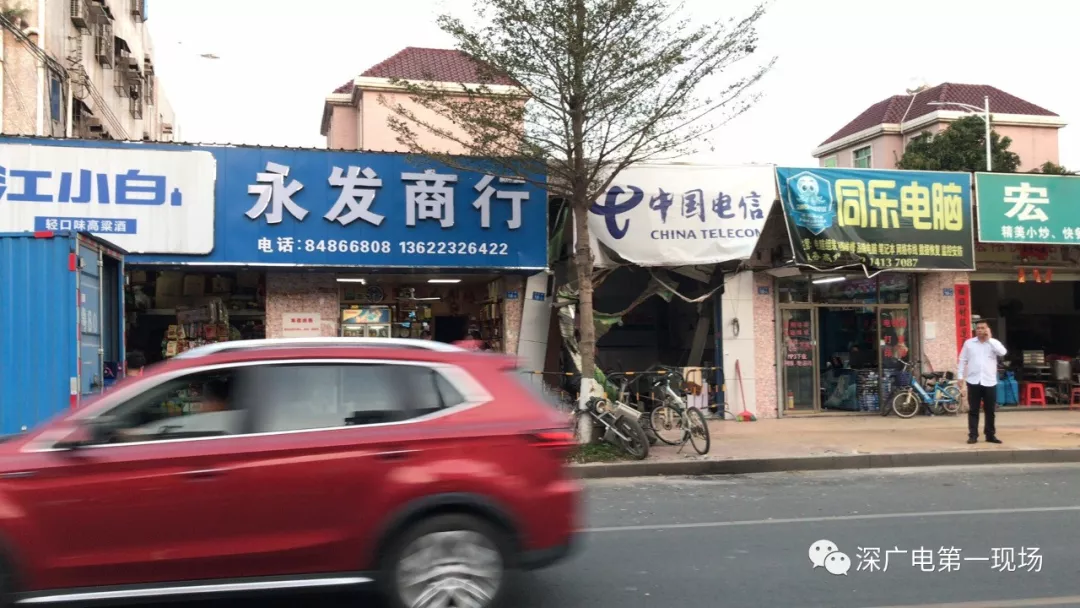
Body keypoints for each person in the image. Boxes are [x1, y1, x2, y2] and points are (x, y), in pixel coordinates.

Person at [957, 320, 1008, 444]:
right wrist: (960, 376)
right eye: (978, 328)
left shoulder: (993, 343)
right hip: (973, 381)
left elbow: (1003, 352)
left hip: (989, 381)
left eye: (983, 328)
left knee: (990, 410)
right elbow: (962, 359)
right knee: (973, 410)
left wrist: (989, 339)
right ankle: (973, 435)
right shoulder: (969, 343)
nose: (980, 330)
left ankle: (990, 435)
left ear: (988, 329)